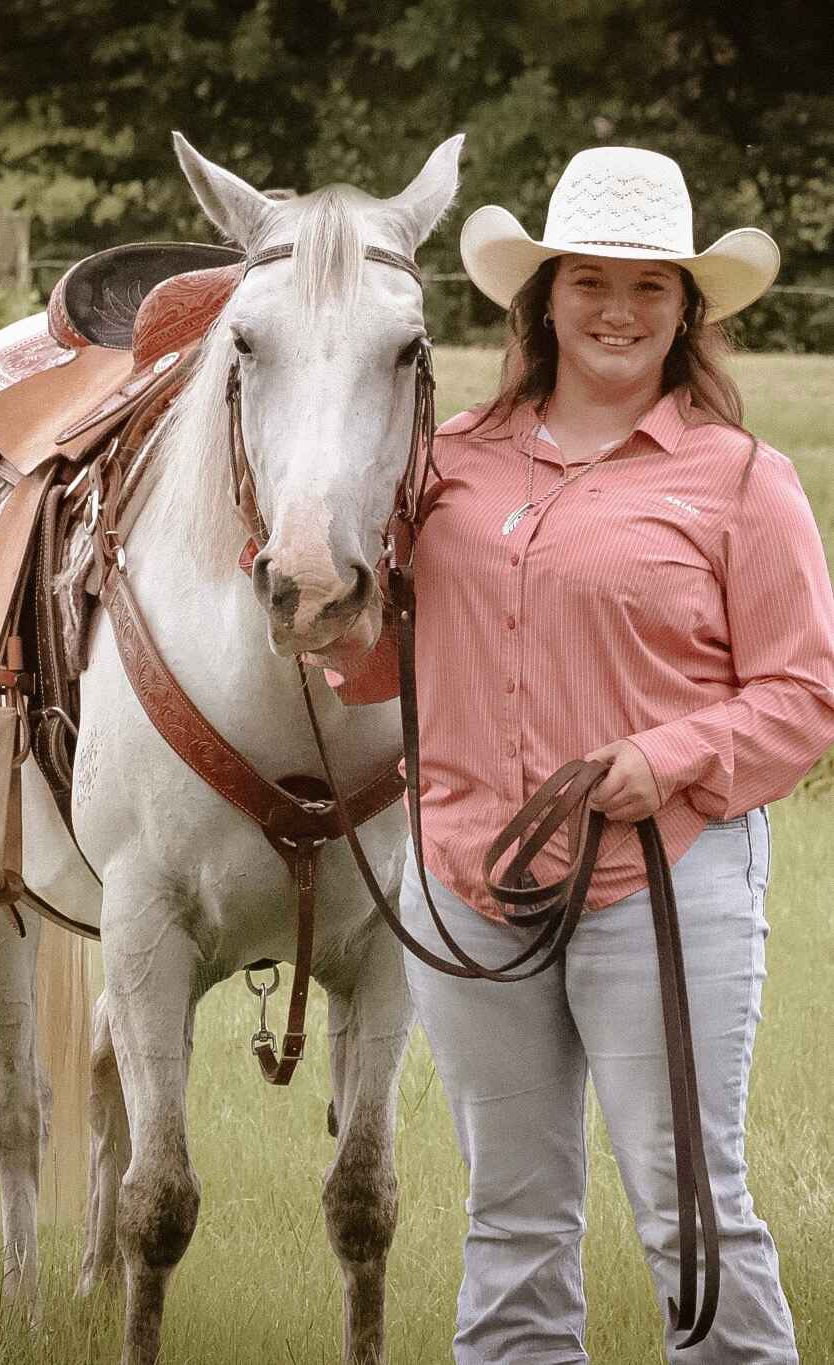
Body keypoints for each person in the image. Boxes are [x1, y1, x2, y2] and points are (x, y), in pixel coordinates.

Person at [397, 146, 834, 1364]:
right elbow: (385, 673)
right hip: (468, 880)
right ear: (544, 299)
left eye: (650, 288)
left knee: (691, 1210)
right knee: (510, 1217)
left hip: (666, 878)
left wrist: (673, 752)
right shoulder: (446, 464)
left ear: (688, 310)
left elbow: (807, 693)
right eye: (591, 282)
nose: (619, 312)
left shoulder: (741, 482)